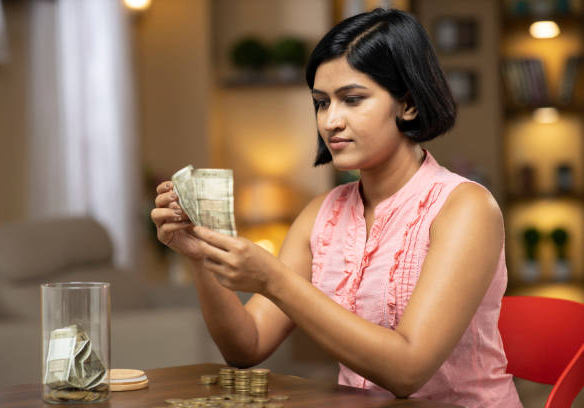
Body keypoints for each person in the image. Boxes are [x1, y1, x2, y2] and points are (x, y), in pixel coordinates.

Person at [151, 8, 522, 407]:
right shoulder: (321, 213)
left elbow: (407, 371)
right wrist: (201, 256)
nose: (330, 121)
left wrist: (274, 279)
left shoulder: (466, 207)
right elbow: (247, 346)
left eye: (352, 99)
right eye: (321, 103)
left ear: (408, 105)